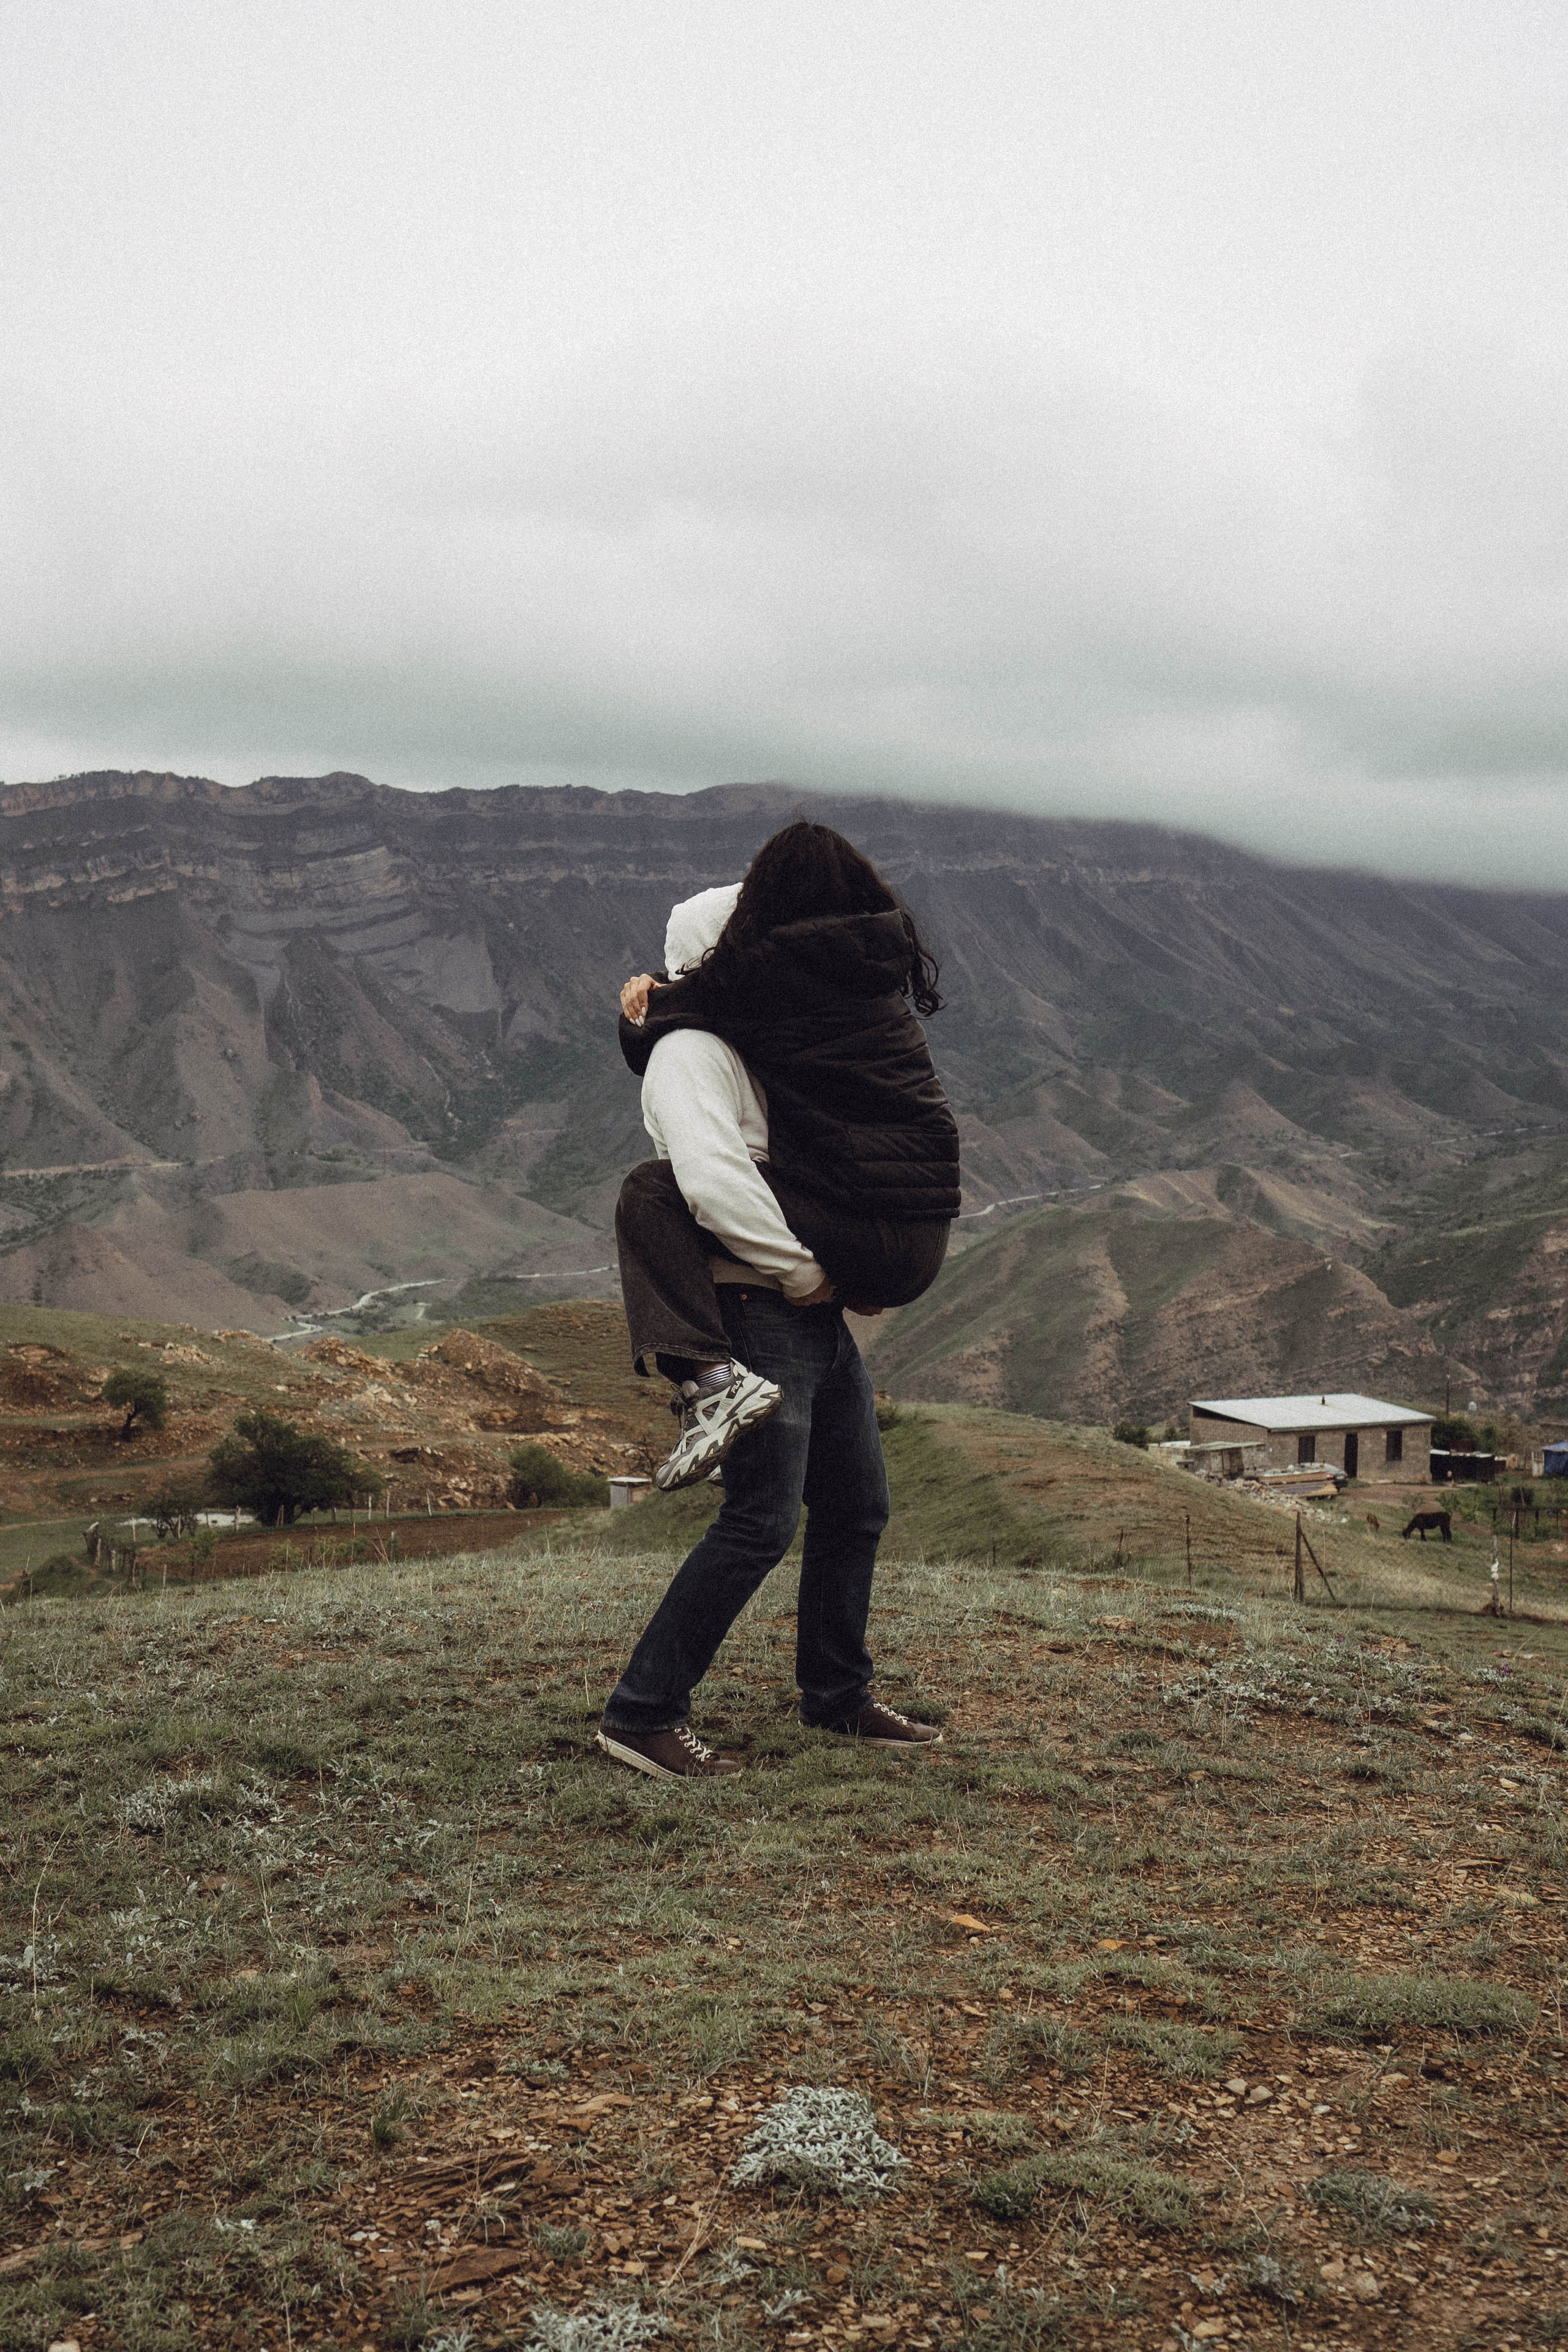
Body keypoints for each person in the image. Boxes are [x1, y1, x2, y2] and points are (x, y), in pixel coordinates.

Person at [595, 821, 960, 1781]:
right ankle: (642, 1714)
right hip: (761, 1303)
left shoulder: (771, 1031)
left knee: (859, 1505)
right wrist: (807, 1273)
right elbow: (713, 1184)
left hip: (809, 1310)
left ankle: (836, 1696)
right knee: (761, 1519)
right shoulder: (693, 1056)